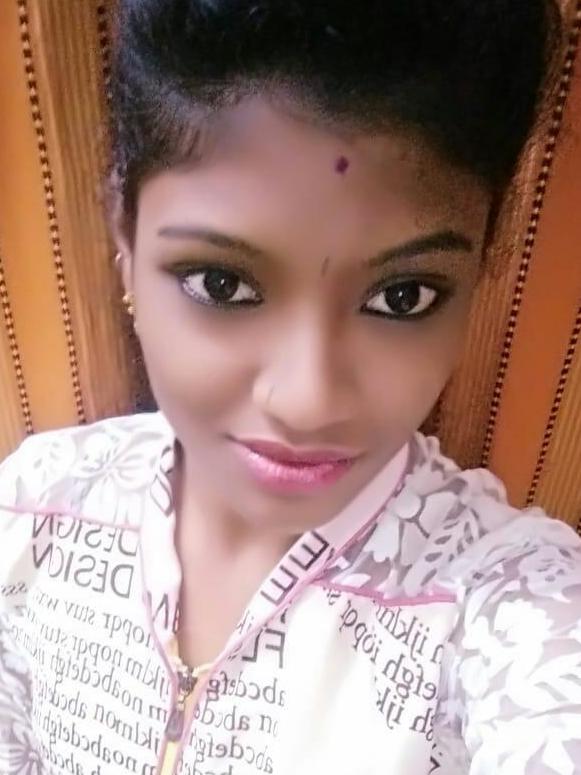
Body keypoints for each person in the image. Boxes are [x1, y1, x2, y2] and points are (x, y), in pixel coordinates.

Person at [1, 1, 580, 773]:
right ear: (124, 238)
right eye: (222, 283)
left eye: (402, 296)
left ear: (484, 267)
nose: (308, 401)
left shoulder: (506, 601)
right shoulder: (31, 510)